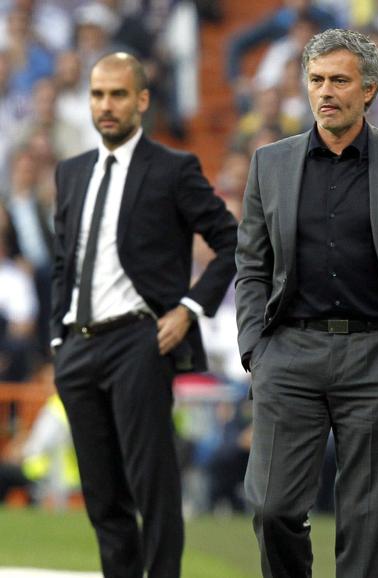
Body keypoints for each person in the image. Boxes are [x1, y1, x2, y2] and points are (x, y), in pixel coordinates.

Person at [235, 28, 378, 578]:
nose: (326, 92)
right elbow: (252, 265)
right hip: (287, 354)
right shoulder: (270, 162)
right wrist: (254, 350)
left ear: (370, 90)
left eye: (339, 80)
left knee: (366, 524)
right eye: (316, 80)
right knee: (273, 507)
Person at [51, 52, 237, 578]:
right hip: (78, 347)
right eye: (97, 95)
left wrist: (189, 309)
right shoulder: (71, 173)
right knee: (102, 494)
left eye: (117, 95)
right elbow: (65, 260)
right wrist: (56, 339)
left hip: (140, 338)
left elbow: (232, 243)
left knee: (151, 484)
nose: (105, 106)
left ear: (142, 100)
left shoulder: (173, 168)